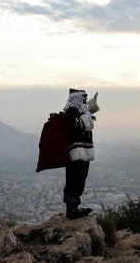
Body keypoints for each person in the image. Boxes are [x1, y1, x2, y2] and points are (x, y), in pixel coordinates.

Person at [62, 88, 99, 219]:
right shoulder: (72, 111)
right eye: (83, 99)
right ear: (77, 100)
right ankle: (72, 211)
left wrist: (88, 113)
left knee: (78, 179)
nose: (84, 101)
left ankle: (73, 209)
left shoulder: (76, 111)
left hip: (82, 151)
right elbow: (72, 127)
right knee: (76, 179)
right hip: (78, 152)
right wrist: (86, 118)